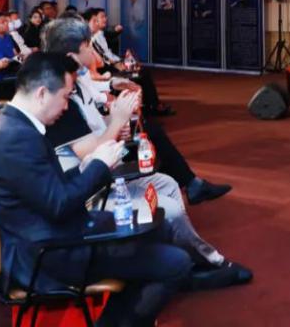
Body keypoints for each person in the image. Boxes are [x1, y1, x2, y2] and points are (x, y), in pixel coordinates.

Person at [0, 53, 193, 326]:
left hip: (52, 234)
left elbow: (50, 189)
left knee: (157, 228)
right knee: (176, 263)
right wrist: (99, 165)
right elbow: (59, 204)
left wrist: (88, 165)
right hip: (49, 253)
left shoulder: (17, 127)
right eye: (65, 97)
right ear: (42, 93)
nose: (66, 106)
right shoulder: (15, 137)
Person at [42, 16, 229, 205]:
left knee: (154, 146)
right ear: (71, 57)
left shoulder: (77, 83)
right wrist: (117, 121)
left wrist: (116, 120)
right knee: (151, 140)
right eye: (87, 46)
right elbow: (93, 157)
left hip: (106, 155)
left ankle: (187, 184)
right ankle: (186, 185)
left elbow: (95, 117)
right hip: (93, 185)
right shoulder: (62, 103)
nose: (92, 50)